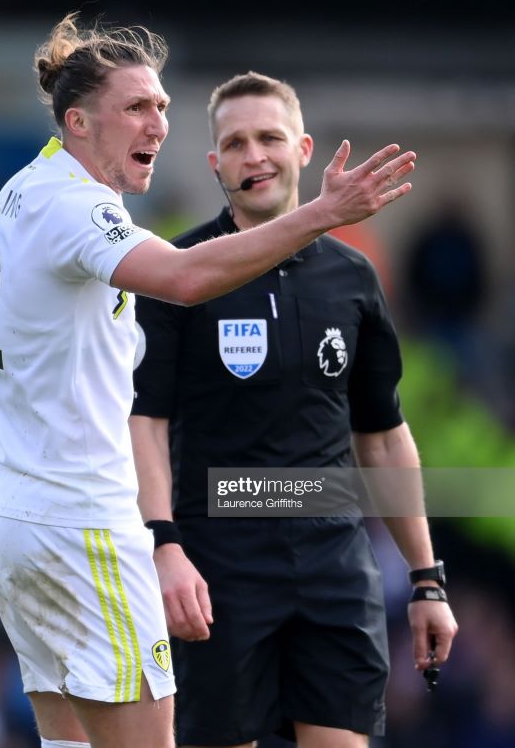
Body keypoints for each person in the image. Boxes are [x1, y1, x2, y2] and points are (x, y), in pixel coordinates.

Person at [0, 10, 417, 748]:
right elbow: (187, 276)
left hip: (14, 522)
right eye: (135, 107)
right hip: (85, 526)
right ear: (77, 123)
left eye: (162, 105)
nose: (157, 122)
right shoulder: (78, 207)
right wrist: (325, 212)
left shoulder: (25, 188)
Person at [129, 71, 458, 748]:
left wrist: (426, 579)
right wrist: (163, 544)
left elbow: (384, 435)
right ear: (214, 163)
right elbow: (146, 422)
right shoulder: (178, 269)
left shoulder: (353, 275)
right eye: (236, 143)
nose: (255, 156)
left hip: (332, 564)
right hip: (217, 564)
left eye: (269, 138)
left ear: (302, 148)